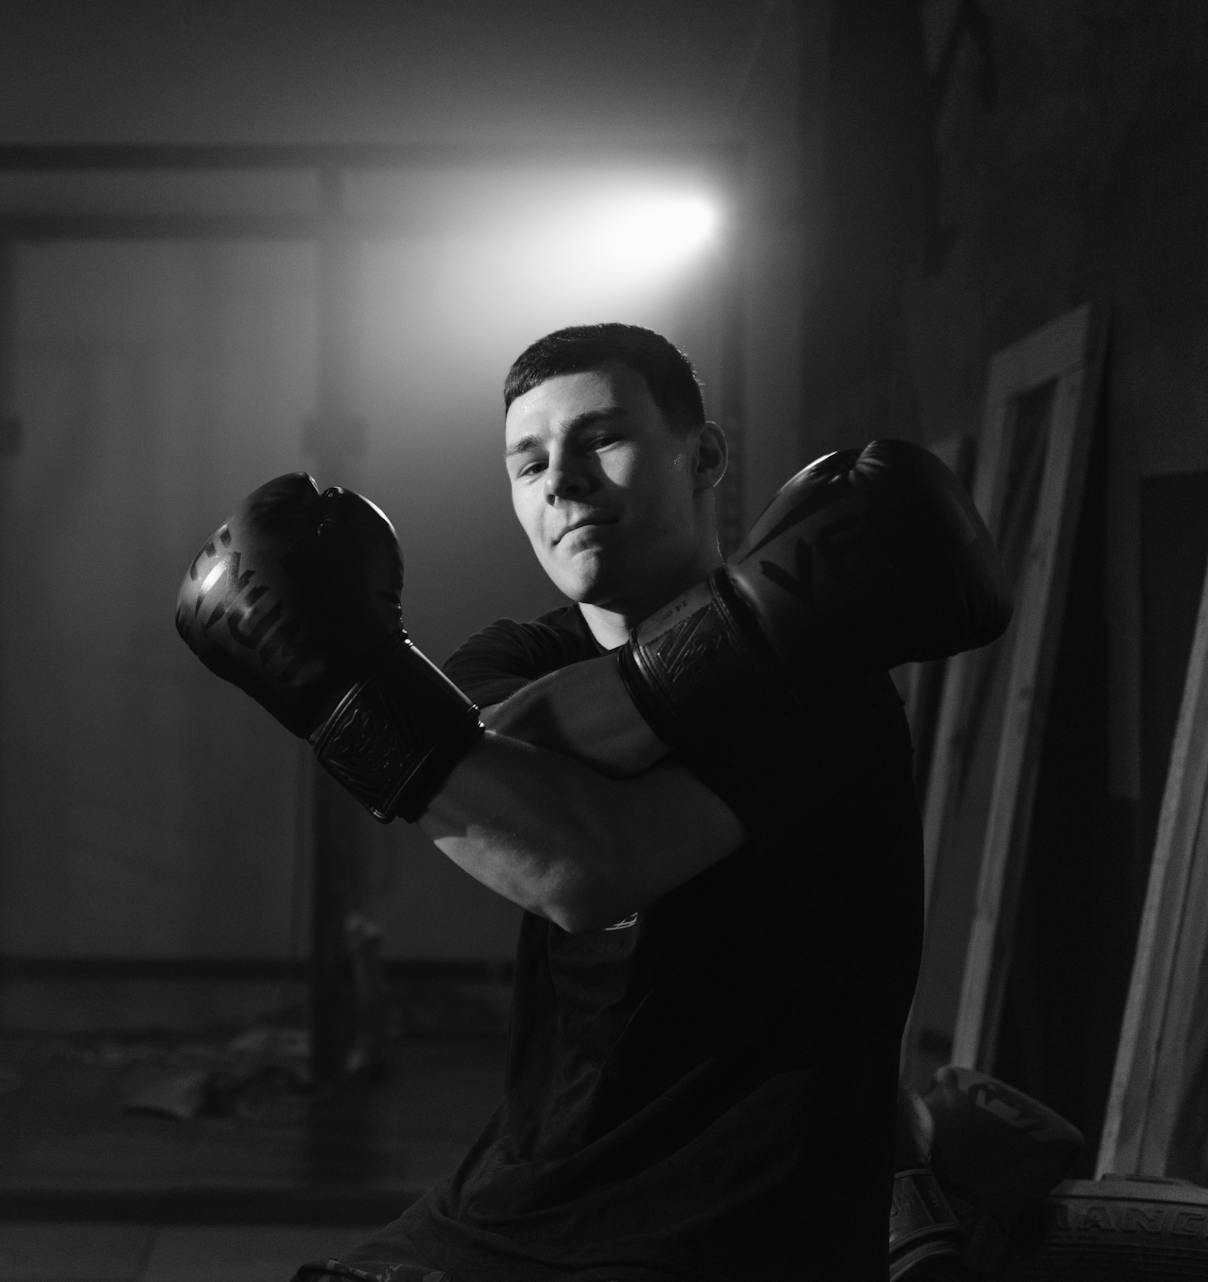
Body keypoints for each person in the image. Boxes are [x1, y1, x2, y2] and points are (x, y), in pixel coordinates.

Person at [175, 323, 1009, 1280]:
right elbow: (478, 769)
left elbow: (581, 868)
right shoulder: (511, 658)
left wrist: (338, 690)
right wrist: (747, 625)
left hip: (731, 1222)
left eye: (599, 440)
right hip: (523, 1196)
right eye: (527, 463)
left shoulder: (828, 679)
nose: (560, 483)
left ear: (704, 455)